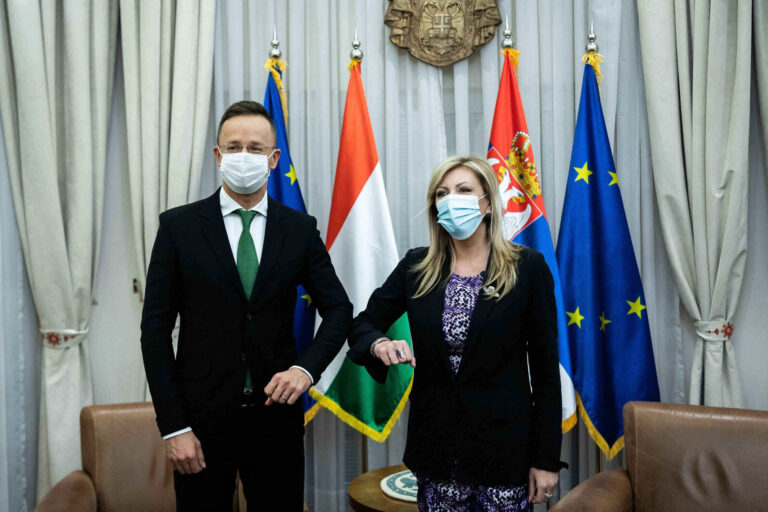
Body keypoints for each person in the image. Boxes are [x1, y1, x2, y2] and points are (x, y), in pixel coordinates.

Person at [141, 100, 352, 511]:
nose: (244, 155)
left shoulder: (299, 229)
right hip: (200, 422)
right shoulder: (178, 227)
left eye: (255, 148)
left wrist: (306, 369)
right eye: (234, 146)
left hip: (276, 419)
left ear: (274, 159)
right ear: (218, 155)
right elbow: (154, 331)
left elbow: (339, 309)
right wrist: (174, 428)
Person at [347, 156, 564, 511]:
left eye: (464, 190)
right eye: (442, 193)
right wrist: (379, 343)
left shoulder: (527, 268)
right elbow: (362, 325)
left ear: (488, 204)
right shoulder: (416, 267)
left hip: (504, 454)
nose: (451, 200)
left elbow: (545, 374)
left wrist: (546, 459)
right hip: (437, 452)